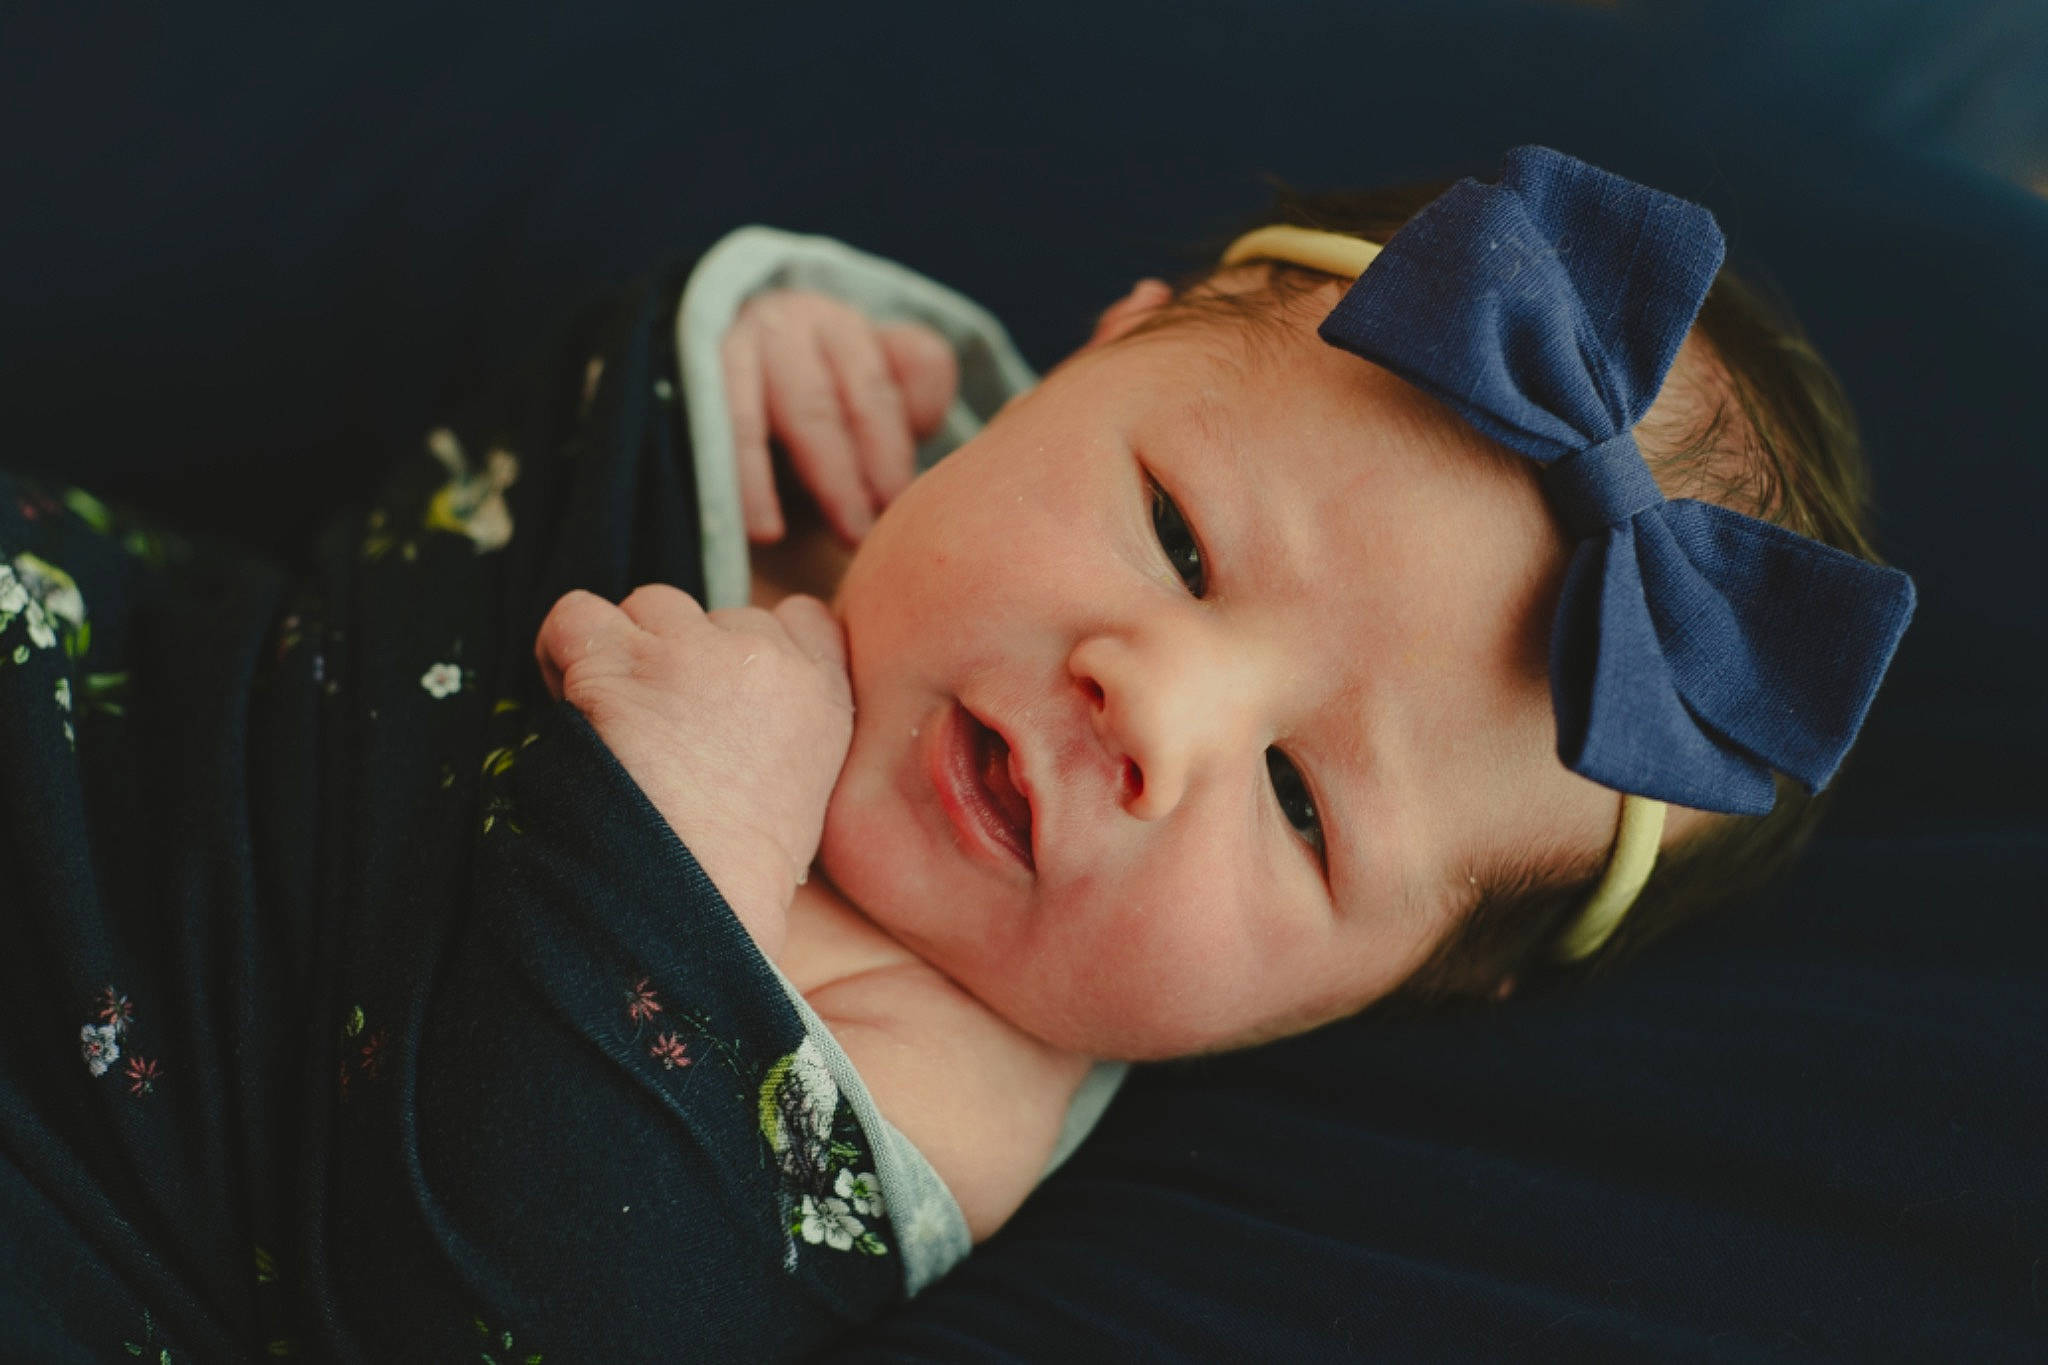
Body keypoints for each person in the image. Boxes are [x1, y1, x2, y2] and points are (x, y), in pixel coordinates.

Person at [0, 148, 1911, 1362]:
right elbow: (437, 509)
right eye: (1176, 534)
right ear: (1098, 351)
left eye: (1303, 801)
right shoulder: (867, 464)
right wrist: (708, 353)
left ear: (1397, 989)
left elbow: (491, 1295)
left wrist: (673, 852)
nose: (1152, 707)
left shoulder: (946, 1071)